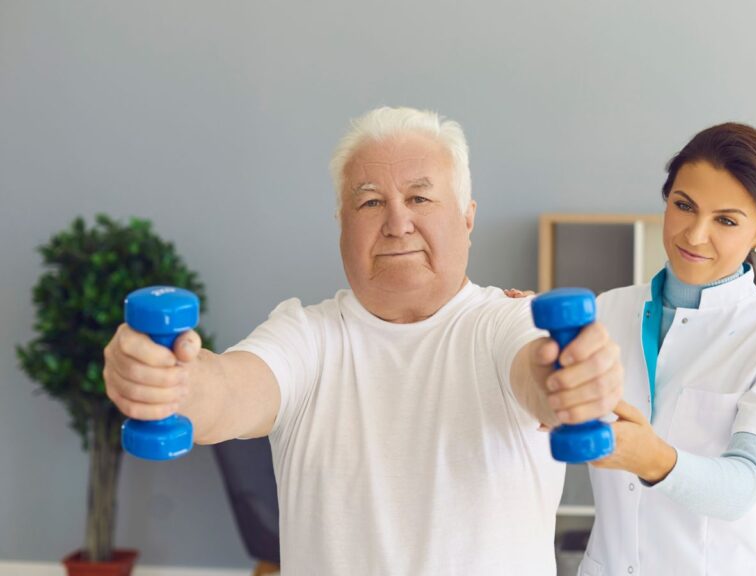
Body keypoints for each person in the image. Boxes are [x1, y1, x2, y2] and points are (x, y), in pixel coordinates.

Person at [102, 107, 623, 575]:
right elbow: (227, 391)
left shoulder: (507, 323)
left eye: (420, 197)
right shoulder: (306, 336)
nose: (398, 223)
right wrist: (169, 381)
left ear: (467, 218)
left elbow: (537, 370)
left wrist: (568, 380)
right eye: (371, 202)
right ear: (341, 226)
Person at [581, 123, 756, 575]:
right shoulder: (606, 311)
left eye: (726, 221)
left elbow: (743, 487)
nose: (694, 235)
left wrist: (652, 457)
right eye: (683, 206)